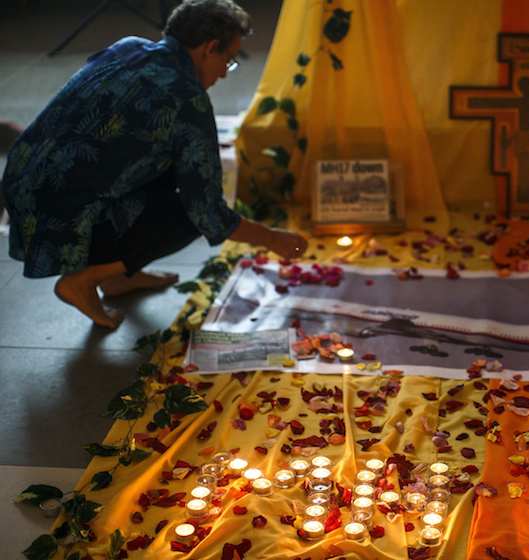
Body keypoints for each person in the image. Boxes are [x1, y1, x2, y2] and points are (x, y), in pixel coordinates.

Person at [1, 0, 306, 329]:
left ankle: (117, 277)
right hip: (57, 213)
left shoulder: (129, 47)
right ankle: (85, 279)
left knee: (172, 171)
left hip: (23, 179)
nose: (223, 73)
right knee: (191, 214)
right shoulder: (188, 101)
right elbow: (208, 212)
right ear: (209, 48)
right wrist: (272, 239)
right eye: (228, 60)